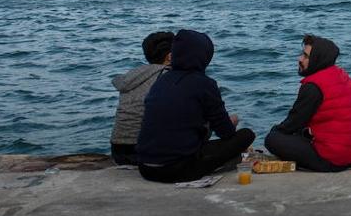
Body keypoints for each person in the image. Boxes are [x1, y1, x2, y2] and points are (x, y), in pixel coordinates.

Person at [136, 29, 255, 183]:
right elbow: (226, 132)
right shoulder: (204, 84)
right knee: (246, 135)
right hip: (177, 169)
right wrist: (231, 123)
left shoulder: (161, 80)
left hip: (145, 168)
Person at [264, 34, 351, 172]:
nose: (299, 59)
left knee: (273, 139)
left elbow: (292, 123)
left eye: (306, 56)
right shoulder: (340, 75)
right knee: (299, 133)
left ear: (317, 59)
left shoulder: (313, 86)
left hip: (332, 160)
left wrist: (275, 132)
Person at [109, 31, 173, 165]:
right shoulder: (169, 76)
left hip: (118, 151)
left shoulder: (135, 74)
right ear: (170, 57)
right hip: (147, 151)